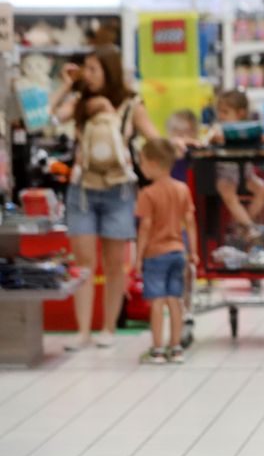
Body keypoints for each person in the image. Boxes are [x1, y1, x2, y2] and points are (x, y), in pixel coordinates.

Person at [50, 46, 165, 351]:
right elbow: (45, 117)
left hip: (120, 191)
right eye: (85, 69)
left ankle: (109, 327)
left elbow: (155, 139)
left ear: (108, 71)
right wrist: (66, 84)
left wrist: (180, 143)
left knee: (116, 265)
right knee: (84, 264)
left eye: (92, 69)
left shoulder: (131, 105)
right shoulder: (80, 103)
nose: (87, 75)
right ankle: (83, 330)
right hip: (82, 190)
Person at [134, 138, 198, 364]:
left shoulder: (147, 194)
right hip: (178, 252)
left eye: (142, 163)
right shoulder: (182, 189)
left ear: (153, 163)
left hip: (155, 254)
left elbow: (145, 227)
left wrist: (138, 256)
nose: (141, 168)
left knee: (157, 302)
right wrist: (193, 251)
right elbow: (189, 222)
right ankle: (176, 347)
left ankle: (158, 349)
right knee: (175, 300)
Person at [208, 90, 264, 236]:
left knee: (263, 189)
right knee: (228, 194)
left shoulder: (250, 129)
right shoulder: (218, 129)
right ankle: (249, 227)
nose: (221, 116)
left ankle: (243, 224)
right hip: (225, 175)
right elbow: (209, 140)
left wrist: (263, 139)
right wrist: (214, 140)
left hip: (247, 175)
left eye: (225, 112)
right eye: (220, 112)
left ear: (240, 113)